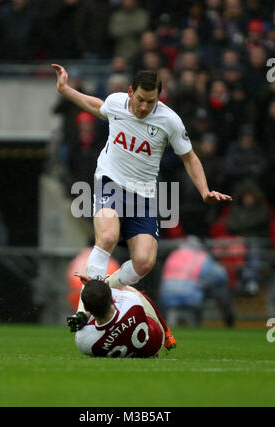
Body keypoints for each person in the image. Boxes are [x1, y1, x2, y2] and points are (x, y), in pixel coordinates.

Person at [52, 63, 232, 326]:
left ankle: (103, 289)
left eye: (151, 101)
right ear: (129, 92)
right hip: (109, 181)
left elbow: (190, 158)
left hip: (144, 195)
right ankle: (84, 308)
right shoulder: (116, 103)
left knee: (144, 262)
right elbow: (95, 106)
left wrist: (204, 191)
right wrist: (65, 89)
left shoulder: (169, 120)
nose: (145, 107)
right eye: (140, 100)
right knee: (108, 237)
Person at [67, 275, 176, 358]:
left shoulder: (82, 340)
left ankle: (82, 315)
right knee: (119, 284)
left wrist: (82, 316)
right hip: (154, 343)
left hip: (126, 350)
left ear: (85, 308)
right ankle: (167, 333)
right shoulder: (131, 302)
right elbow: (110, 287)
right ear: (112, 299)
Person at [159, 236, 234, 327]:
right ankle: (229, 322)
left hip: (166, 296)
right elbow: (221, 275)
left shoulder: (174, 254)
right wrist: (205, 283)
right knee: (219, 289)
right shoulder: (200, 256)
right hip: (190, 296)